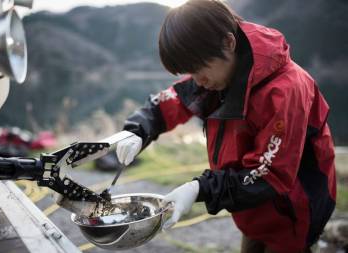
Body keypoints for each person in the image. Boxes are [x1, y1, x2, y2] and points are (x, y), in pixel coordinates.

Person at [115, 0, 336, 252]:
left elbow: (269, 176)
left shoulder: (285, 91)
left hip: (293, 212)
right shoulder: (220, 72)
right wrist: (137, 131)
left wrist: (199, 188)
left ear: (228, 43)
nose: (197, 80)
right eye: (190, 71)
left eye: (198, 69)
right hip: (250, 208)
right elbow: (174, 100)